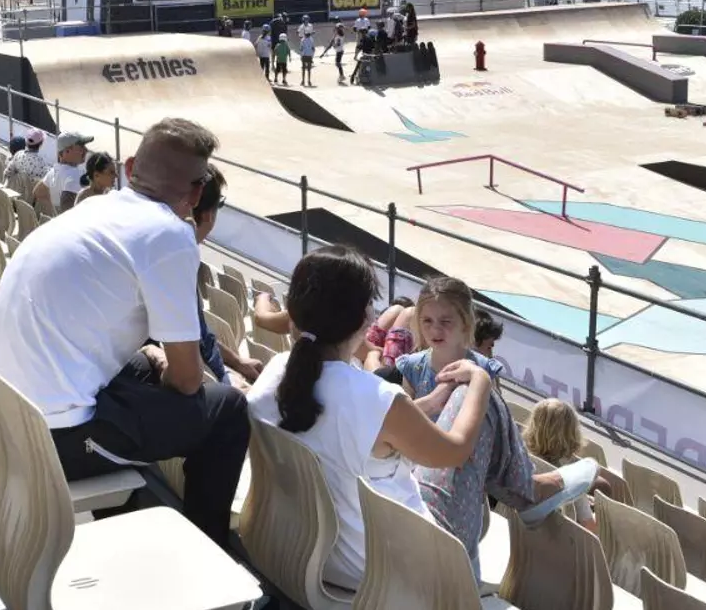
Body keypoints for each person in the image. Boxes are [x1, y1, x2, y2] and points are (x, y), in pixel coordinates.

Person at [0, 118, 249, 547]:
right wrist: (171, 372)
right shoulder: (172, 235)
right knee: (226, 408)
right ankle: (207, 549)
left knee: (143, 366)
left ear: (130, 167)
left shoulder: (93, 208)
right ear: (195, 195)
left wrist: (154, 360)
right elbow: (189, 382)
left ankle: (122, 513)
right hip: (32, 444)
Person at [246, 245, 502, 590]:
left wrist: (428, 402)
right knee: (475, 402)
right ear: (364, 318)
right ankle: (524, 501)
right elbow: (456, 451)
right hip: (376, 570)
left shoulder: (276, 372)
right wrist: (481, 381)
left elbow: (364, 420)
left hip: (295, 546)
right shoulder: (376, 399)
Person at [395, 276, 599, 577]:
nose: (435, 329)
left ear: (466, 324)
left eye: (445, 322)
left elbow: (496, 428)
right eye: (427, 321)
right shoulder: (414, 366)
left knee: (488, 404)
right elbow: (406, 424)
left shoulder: (483, 365)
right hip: (429, 463)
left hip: (469, 471)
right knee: (485, 397)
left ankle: (528, 488)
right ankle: (528, 489)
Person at [191, 164, 262, 391]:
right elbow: (186, 349)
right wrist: (227, 380)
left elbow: (199, 334)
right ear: (208, 214)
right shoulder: (176, 261)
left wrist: (237, 361)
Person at [523, 399, 599, 533]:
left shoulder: (520, 458)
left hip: (519, 532)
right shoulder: (569, 478)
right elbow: (589, 528)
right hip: (554, 539)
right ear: (572, 434)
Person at [33, 131, 93, 215]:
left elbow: (37, 192)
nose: (86, 150)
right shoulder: (75, 175)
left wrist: (54, 210)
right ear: (67, 151)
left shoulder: (53, 171)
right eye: (81, 147)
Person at [362, 300, 417, 376]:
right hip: (381, 376)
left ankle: (388, 362)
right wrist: (376, 353)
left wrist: (374, 354)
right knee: (408, 313)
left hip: (374, 371)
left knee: (400, 310)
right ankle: (388, 364)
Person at [2, 129, 51, 196]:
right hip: (31, 198)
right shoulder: (41, 162)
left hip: (16, 194)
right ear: (41, 144)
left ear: (26, 143)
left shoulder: (18, 155)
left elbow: (6, 173)